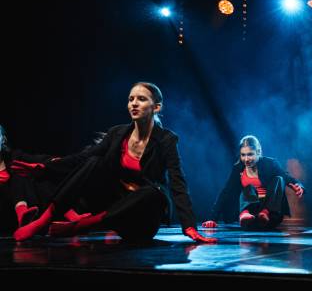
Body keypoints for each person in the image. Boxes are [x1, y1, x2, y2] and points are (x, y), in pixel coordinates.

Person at [13, 82, 216, 243]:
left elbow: (178, 182)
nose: (134, 103)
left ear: (156, 107)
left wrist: (189, 226)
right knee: (94, 161)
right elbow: (82, 158)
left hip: (141, 220)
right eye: (131, 99)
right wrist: (45, 167)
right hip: (112, 208)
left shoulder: (166, 140)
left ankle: (80, 226)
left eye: (141, 99)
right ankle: (45, 219)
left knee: (154, 193)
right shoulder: (117, 133)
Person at [0, 124, 89, 234]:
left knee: (34, 172)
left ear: (3, 140)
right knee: (19, 172)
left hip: (31, 206)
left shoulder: (14, 156)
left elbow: (37, 159)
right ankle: (68, 213)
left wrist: (55, 162)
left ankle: (26, 216)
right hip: (5, 209)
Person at [202, 135, 304, 230]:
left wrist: (299, 186)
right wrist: (212, 219)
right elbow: (225, 192)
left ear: (258, 152)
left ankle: (264, 213)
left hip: (270, 213)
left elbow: (287, 177)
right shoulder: (238, 168)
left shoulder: (270, 163)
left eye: (250, 154)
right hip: (250, 213)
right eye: (243, 155)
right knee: (249, 187)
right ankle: (245, 214)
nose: (246, 159)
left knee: (279, 179)